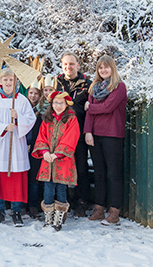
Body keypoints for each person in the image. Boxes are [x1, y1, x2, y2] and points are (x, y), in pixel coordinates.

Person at [0, 68, 36, 227]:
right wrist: (4, 127)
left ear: (16, 83)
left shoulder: (22, 100)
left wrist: (18, 118)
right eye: (5, 80)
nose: (8, 83)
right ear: (0, 81)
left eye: (11, 80)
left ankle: (16, 212)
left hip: (16, 145)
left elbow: (31, 119)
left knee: (16, 179)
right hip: (0, 145)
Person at [84, 55, 127, 226]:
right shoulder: (94, 88)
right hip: (96, 135)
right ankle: (99, 209)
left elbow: (108, 107)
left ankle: (114, 211)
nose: (103, 70)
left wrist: (91, 107)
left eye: (106, 67)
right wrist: (88, 132)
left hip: (113, 135)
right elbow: (89, 113)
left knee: (113, 174)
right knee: (99, 173)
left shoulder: (119, 87)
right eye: (100, 68)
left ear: (112, 68)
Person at [33, 91, 80, 231]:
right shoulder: (47, 118)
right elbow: (41, 136)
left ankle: (59, 218)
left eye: (61, 103)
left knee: (61, 187)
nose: (58, 106)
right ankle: (48, 217)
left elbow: (71, 137)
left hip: (63, 160)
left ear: (66, 104)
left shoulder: (71, 119)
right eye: (55, 103)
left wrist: (58, 153)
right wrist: (45, 151)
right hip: (48, 159)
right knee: (48, 187)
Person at [56, 52, 92, 217]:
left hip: (79, 132)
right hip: (60, 134)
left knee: (81, 167)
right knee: (62, 167)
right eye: (65, 65)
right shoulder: (57, 82)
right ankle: (63, 201)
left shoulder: (87, 84)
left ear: (77, 65)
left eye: (71, 64)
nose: (68, 67)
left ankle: (82, 201)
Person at [26, 79, 44, 218]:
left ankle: (33, 204)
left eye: (36, 94)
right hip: (24, 146)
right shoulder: (24, 108)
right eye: (31, 93)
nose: (33, 96)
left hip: (37, 147)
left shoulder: (43, 111)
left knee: (34, 177)